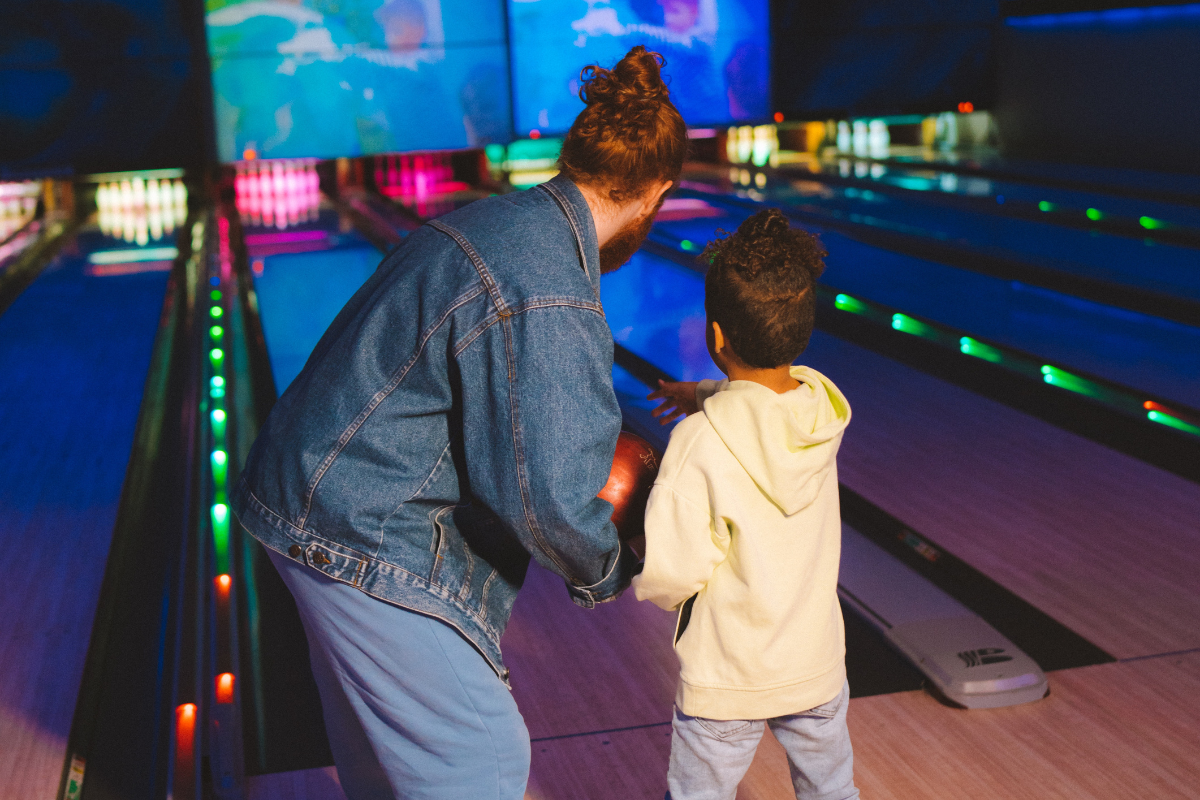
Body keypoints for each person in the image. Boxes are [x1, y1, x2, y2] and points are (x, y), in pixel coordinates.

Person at [230, 45, 687, 799]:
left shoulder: (502, 221)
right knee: (482, 758)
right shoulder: (551, 288)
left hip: (305, 496)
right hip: (361, 526)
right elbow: (547, 499)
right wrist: (626, 563)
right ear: (656, 191)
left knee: (388, 765)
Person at [638, 209, 859, 800]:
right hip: (815, 664)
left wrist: (638, 556)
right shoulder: (818, 413)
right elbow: (760, 409)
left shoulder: (697, 445)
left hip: (728, 676)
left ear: (715, 336)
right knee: (832, 791)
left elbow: (672, 575)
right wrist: (702, 394)